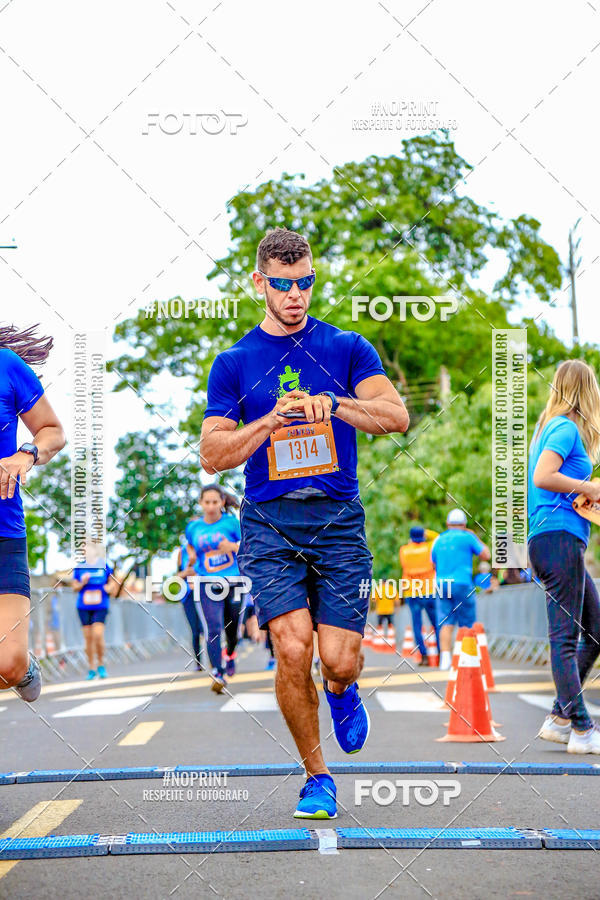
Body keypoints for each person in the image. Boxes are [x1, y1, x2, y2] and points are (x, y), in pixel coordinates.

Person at [200, 227, 409, 818]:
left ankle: (342, 690)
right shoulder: (235, 362)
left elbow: (396, 415)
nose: (297, 294)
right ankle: (317, 776)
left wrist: (334, 403)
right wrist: (270, 419)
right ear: (259, 283)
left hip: (339, 521)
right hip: (270, 525)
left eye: (307, 282)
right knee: (292, 648)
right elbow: (212, 454)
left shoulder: (346, 347)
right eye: (285, 284)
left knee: (337, 659)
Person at [528, 360, 600, 754]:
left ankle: (559, 718)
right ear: (585, 390)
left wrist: (581, 493)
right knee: (565, 639)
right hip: (557, 540)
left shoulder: (549, 428)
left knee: (596, 628)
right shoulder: (564, 427)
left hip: (554, 539)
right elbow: (543, 477)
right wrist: (590, 484)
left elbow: (551, 485)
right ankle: (583, 728)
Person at [0, 324, 66, 701]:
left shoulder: (6, 365)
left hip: (3, 531)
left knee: (8, 665)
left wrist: (26, 454)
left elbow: (52, 430)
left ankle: (25, 664)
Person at [185, 484, 244, 693]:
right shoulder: (193, 527)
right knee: (213, 628)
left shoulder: (232, 523)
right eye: (207, 502)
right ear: (201, 503)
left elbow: (248, 547)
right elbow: (190, 544)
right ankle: (217, 673)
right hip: (206, 582)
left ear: (222, 502)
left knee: (233, 628)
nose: (211, 506)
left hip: (234, 581)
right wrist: (191, 557)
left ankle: (230, 654)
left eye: (215, 502)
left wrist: (233, 547)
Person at [431, 508, 490, 670]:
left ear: (447, 524)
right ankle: (467, 658)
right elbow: (486, 555)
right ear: (464, 524)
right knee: (467, 622)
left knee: (445, 621)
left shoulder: (438, 539)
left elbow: (432, 564)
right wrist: (474, 535)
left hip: (443, 584)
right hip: (463, 583)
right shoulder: (468, 537)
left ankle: (445, 659)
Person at [72, 546, 120, 679]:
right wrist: (83, 582)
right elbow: (74, 586)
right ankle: (91, 667)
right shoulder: (79, 567)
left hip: (101, 605)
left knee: (98, 635)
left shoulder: (104, 565)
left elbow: (113, 584)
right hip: (84, 606)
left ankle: (101, 664)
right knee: (88, 638)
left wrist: (109, 588)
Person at [399, 525, 439, 664]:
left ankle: (424, 656)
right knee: (436, 624)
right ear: (422, 536)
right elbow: (438, 537)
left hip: (412, 592)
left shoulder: (404, 550)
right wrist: (427, 532)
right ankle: (440, 654)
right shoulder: (429, 548)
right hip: (428, 591)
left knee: (417, 625)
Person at [175, 533, 204, 670]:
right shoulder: (182, 551)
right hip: (188, 595)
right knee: (195, 630)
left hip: (206, 592)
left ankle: (215, 660)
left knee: (208, 628)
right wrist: (187, 571)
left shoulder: (206, 548)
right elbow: (177, 576)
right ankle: (198, 662)